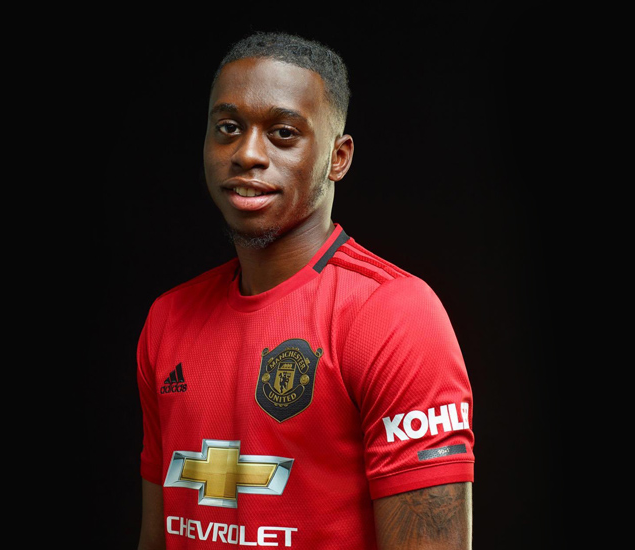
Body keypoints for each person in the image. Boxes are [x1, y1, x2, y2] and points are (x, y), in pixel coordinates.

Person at [135, 31, 474, 549]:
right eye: (228, 128)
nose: (248, 153)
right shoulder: (168, 318)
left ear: (338, 157)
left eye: (283, 133)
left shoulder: (393, 316)